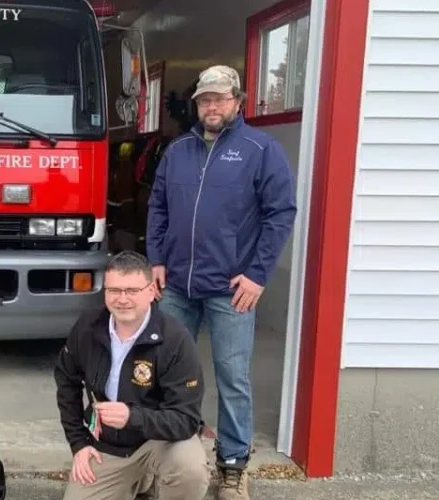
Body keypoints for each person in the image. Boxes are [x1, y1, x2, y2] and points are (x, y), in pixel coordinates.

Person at [146, 64, 298, 500]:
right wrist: (156, 258)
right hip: (176, 285)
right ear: (197, 105)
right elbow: (158, 206)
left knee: (232, 377)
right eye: (204, 100)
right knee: (168, 372)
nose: (211, 106)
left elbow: (280, 213)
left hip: (230, 289)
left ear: (237, 101)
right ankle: (173, 457)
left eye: (220, 98)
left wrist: (256, 274)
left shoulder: (259, 148)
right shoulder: (177, 150)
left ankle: (232, 466)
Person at [54, 250, 210, 500]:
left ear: (151, 291)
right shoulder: (88, 327)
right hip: (109, 447)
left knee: (189, 468)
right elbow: (66, 380)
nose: (122, 299)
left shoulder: (175, 338)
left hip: (160, 441)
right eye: (114, 290)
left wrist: (132, 417)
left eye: (132, 291)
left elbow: (186, 420)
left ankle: (149, 479)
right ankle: (140, 484)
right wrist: (79, 444)